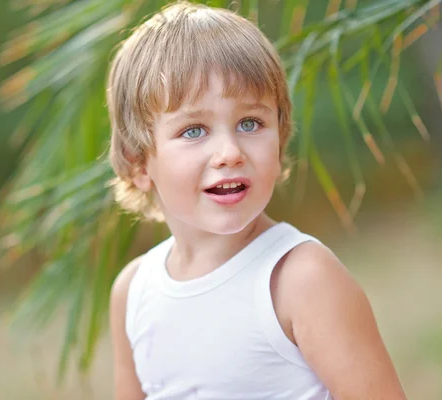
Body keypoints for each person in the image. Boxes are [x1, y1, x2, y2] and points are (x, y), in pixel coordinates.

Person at [107, 2, 406, 399]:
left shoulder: (299, 279)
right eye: (194, 130)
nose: (230, 151)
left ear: (279, 139)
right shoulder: (133, 292)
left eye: (250, 123)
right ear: (138, 161)